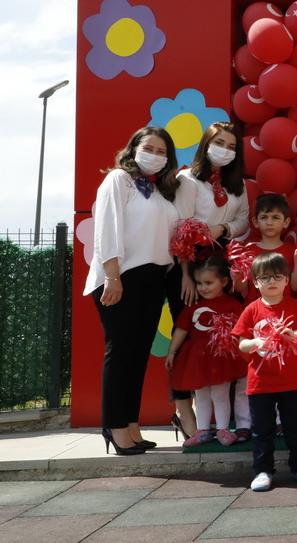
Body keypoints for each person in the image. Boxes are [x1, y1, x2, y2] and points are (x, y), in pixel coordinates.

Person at [84, 126, 181, 455]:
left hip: (153, 280)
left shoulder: (160, 191)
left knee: (139, 355)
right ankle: (114, 426)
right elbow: (107, 227)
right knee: (122, 352)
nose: (154, 155)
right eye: (148, 148)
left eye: (161, 151)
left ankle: (130, 424)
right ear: (133, 148)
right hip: (122, 277)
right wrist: (112, 275)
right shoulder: (119, 179)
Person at [170, 121, 249, 439]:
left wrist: (223, 229)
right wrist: (186, 275)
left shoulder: (237, 184)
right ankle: (185, 413)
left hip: (222, 262)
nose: (225, 150)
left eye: (231, 146)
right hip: (190, 262)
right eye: (219, 143)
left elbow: (244, 220)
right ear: (205, 144)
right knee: (190, 336)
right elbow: (180, 227)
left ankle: (227, 422)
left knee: (224, 338)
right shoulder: (187, 179)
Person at [233, 252, 297, 492]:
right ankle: (263, 470)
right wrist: (256, 342)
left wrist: (296, 334)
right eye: (265, 277)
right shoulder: (252, 309)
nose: (271, 281)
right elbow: (241, 343)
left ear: (286, 280)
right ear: (255, 282)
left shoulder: (295, 306)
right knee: (262, 432)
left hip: (291, 382)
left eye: (277, 276)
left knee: (296, 428)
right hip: (260, 383)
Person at [165, 255, 247, 447]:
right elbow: (181, 329)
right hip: (198, 360)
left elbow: (242, 329)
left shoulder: (232, 304)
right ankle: (202, 430)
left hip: (222, 359)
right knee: (201, 396)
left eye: (209, 283)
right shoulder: (193, 305)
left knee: (220, 395)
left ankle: (223, 430)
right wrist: (172, 352)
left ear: (224, 282)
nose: (203, 288)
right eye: (200, 283)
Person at [235, 193, 297, 304]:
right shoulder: (247, 251)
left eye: (275, 217)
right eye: (264, 217)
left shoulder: (292, 251)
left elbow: (296, 287)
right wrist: (238, 275)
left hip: (284, 310)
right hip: (255, 310)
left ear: (286, 222)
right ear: (255, 222)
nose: (269, 222)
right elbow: (240, 288)